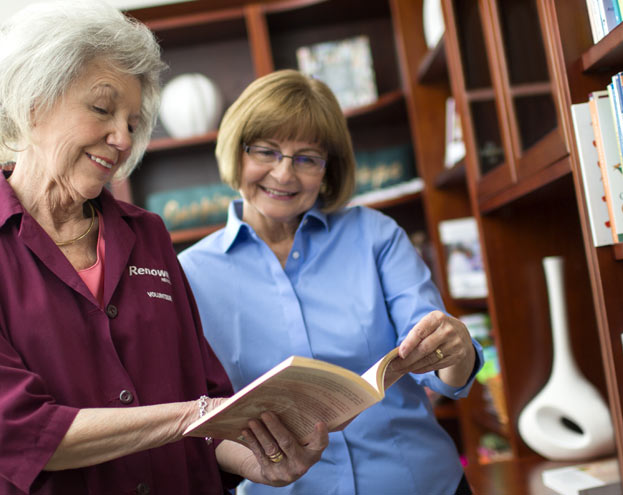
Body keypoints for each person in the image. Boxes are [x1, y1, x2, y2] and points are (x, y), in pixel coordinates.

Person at [0, 3, 328, 494]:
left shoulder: (148, 235)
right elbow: (9, 429)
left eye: (134, 122)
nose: (121, 138)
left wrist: (260, 461)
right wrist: (191, 416)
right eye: (101, 108)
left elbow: (208, 405)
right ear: (31, 105)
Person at [179, 69, 484, 495]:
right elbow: (192, 418)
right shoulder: (187, 274)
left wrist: (456, 348)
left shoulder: (376, 236)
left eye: (306, 158)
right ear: (238, 153)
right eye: (266, 151)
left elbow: (443, 374)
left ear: (328, 170)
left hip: (420, 483)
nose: (284, 175)